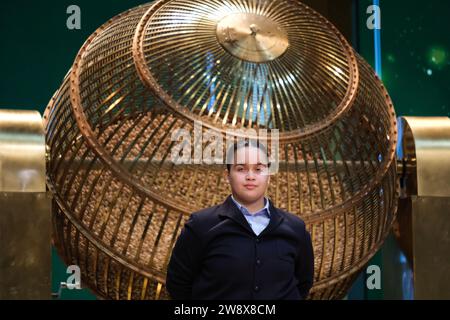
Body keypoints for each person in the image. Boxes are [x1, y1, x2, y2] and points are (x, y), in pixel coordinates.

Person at [166, 140, 314, 300]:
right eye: (241, 169)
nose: (250, 176)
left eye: (258, 169)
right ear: (227, 175)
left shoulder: (295, 228)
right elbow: (178, 284)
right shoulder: (201, 225)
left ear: (269, 176)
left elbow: (303, 282)